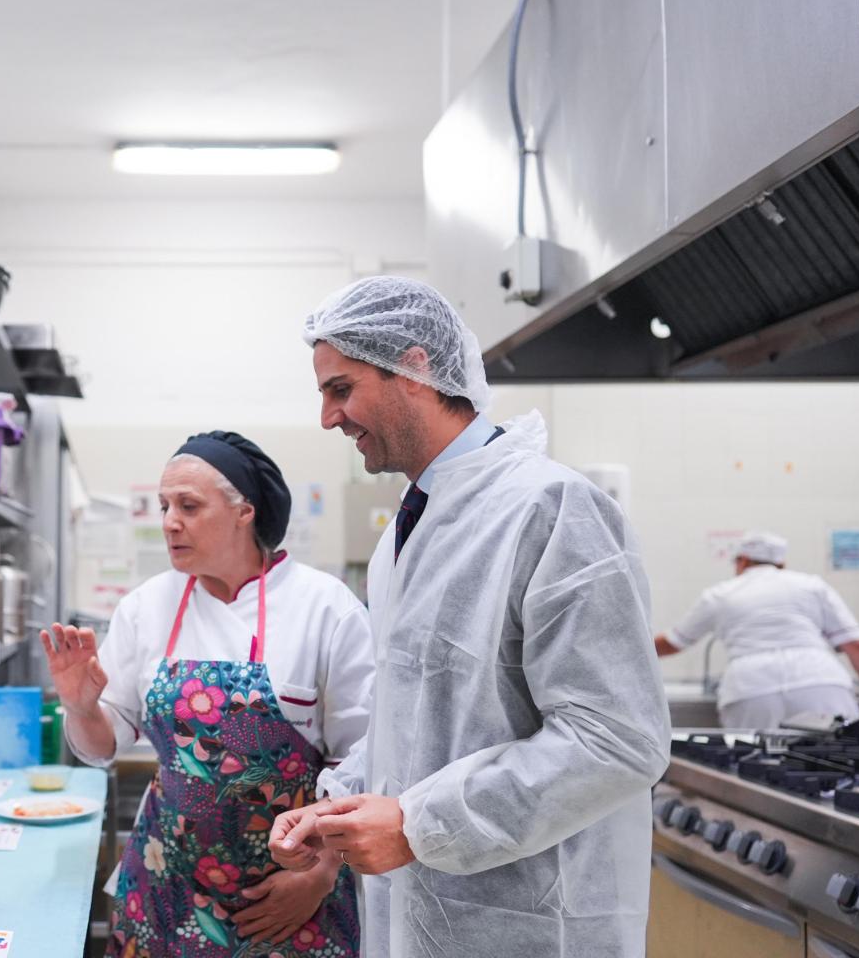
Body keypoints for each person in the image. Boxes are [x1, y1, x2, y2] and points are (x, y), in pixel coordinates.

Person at [268, 276, 672, 957]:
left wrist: (416, 825)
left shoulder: (548, 508)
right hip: (423, 920)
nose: (329, 418)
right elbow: (416, 720)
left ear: (413, 369)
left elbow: (617, 738)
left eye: (341, 389)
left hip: (530, 926)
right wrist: (342, 804)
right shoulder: (412, 527)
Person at [43, 431, 373, 955]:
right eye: (165, 506)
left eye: (189, 506)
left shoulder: (325, 608)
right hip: (166, 880)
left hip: (289, 888)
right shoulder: (146, 607)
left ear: (245, 511)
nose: (169, 521)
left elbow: (362, 758)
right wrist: (81, 706)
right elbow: (103, 745)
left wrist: (321, 873)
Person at [656, 530, 859, 740]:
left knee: (755, 769)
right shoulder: (812, 586)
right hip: (818, 681)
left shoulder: (719, 594)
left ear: (742, 561)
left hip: (751, 688)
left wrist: (634, 648)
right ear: (781, 564)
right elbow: (857, 646)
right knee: (838, 761)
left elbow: (673, 642)